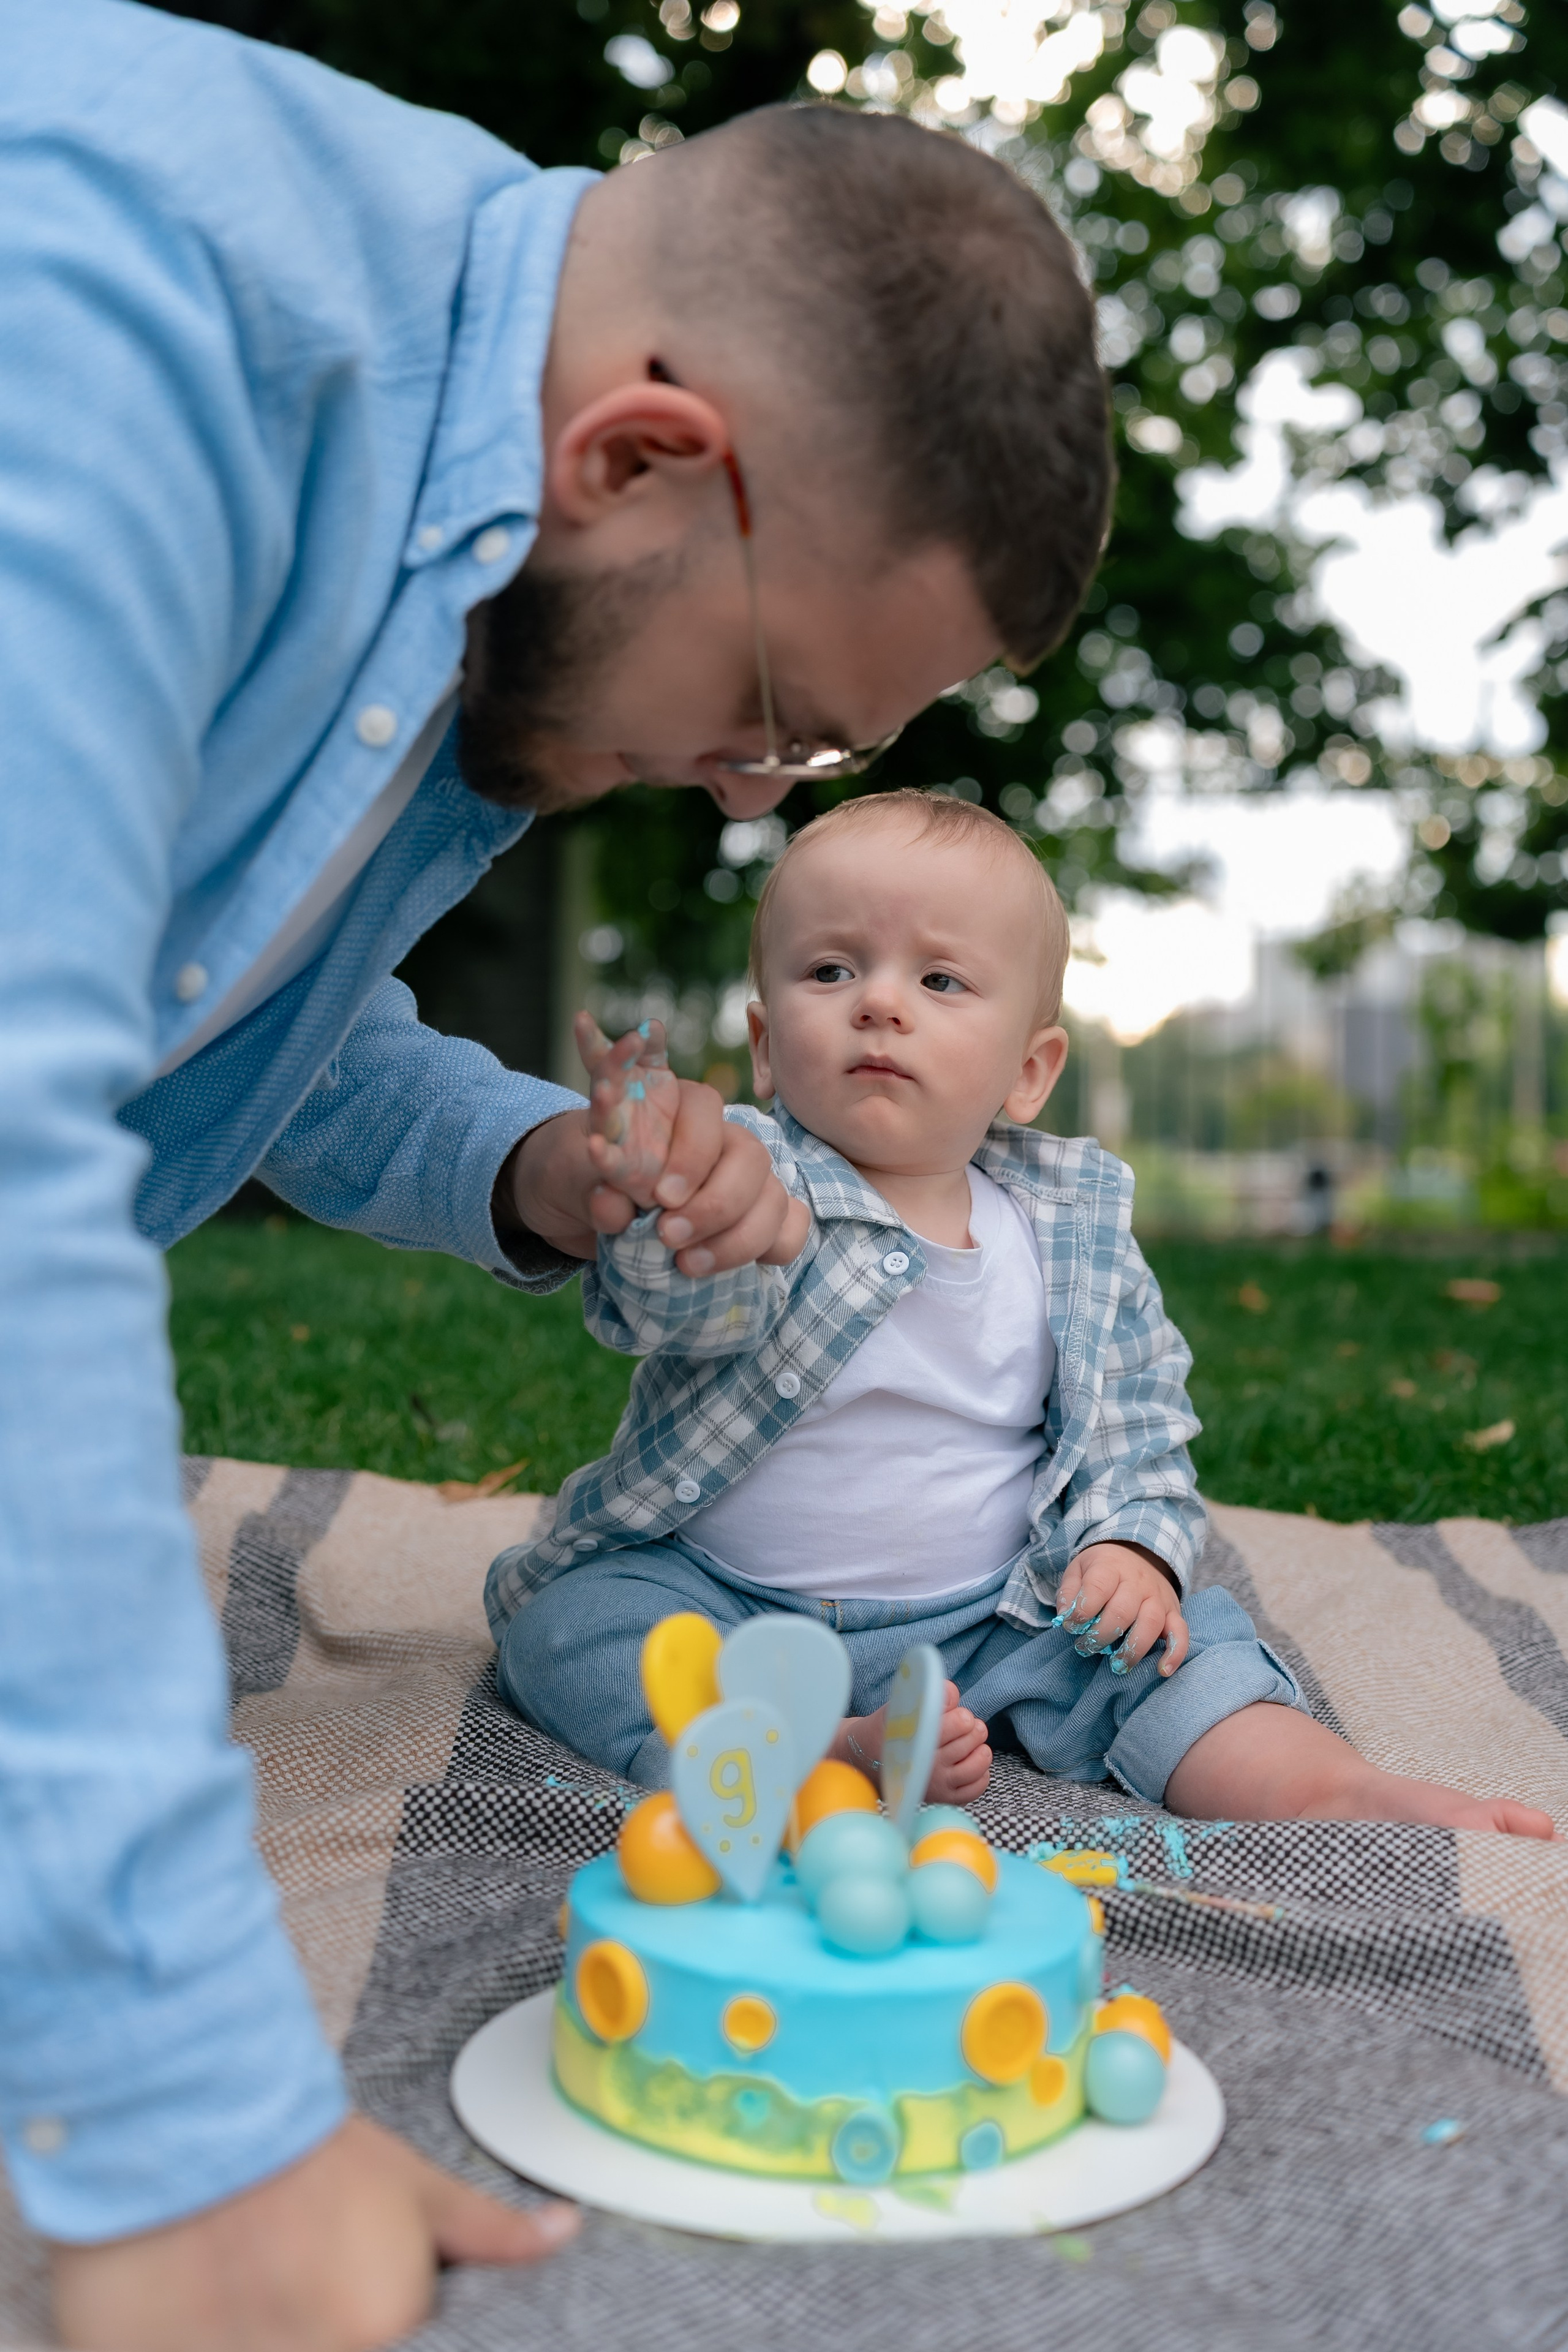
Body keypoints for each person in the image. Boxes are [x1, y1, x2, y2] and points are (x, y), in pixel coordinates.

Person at [1, 3, 1113, 2343]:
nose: (745, 793)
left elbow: (222, 1007)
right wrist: (196, 2125)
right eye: (780, 709)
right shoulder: (109, 284)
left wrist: (544, 1172)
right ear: (640, 454)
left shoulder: (468, 553)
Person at [492, 793, 1558, 1842]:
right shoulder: (751, 1174)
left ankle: (1330, 1789)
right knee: (570, 1629)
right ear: (767, 1048)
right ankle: (801, 1746)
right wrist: (655, 1201)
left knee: (1163, 1650)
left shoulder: (1070, 1233)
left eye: (941, 979)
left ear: (1030, 1069)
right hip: (724, 1598)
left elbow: (1135, 1422)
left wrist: (1131, 1546)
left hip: (994, 1619)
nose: (880, 1003)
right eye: (832, 970)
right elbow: (687, 1307)